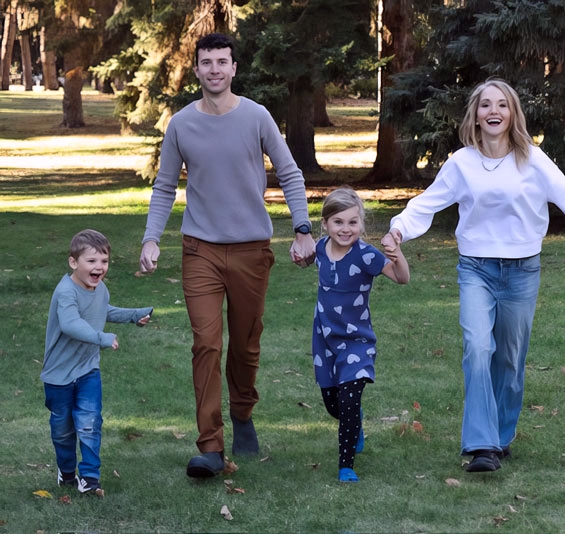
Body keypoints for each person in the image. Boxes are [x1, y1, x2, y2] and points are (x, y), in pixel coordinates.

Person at [380, 79, 565, 472]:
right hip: (476, 269)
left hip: (522, 272)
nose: (494, 111)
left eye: (502, 105)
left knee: (509, 360)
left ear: (512, 114)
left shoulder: (533, 160)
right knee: (477, 349)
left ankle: (501, 436)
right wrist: (398, 230)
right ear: (475, 115)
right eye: (486, 105)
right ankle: (482, 446)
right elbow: (427, 204)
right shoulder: (462, 163)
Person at [138, 32, 316, 478]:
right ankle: (211, 446)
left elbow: (290, 173)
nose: (214, 69)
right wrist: (151, 238)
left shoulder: (256, 117)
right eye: (207, 62)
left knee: (246, 344)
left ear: (234, 68)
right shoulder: (181, 124)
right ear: (196, 69)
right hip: (199, 250)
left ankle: (242, 411)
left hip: (251, 250)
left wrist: (302, 229)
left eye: (222, 62)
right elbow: (164, 186)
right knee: (206, 343)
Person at [42, 229, 152, 496]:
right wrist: (101, 338)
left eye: (104, 261)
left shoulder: (100, 288)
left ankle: (90, 478)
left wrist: (133, 316)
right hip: (59, 376)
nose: (99, 267)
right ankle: (67, 472)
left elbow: (103, 311)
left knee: (90, 423)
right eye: (91, 261)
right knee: (63, 430)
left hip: (88, 370)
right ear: (73, 262)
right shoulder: (66, 292)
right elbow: (70, 324)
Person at [312, 188, 409, 482]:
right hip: (325, 340)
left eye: (353, 222)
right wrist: (298, 251)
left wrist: (397, 255)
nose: (346, 229)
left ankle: (346, 466)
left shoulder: (366, 255)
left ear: (361, 224)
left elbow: (402, 278)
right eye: (338, 222)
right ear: (325, 224)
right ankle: (356, 421)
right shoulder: (320, 248)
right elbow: (306, 257)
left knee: (348, 402)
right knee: (334, 404)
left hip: (357, 342)